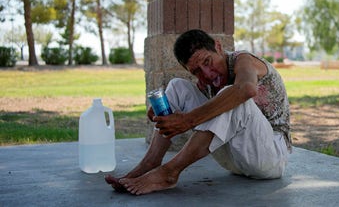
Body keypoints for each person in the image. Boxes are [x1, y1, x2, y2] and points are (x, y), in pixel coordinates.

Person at [105, 29, 291, 195]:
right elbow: (197, 100)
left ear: (218, 47)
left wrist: (188, 120)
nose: (208, 74)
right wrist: (163, 106)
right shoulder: (208, 82)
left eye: (208, 62)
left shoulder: (244, 61)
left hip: (269, 158)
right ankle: (150, 163)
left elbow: (247, 89)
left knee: (232, 95)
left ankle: (169, 173)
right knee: (177, 87)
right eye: (197, 71)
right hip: (234, 160)